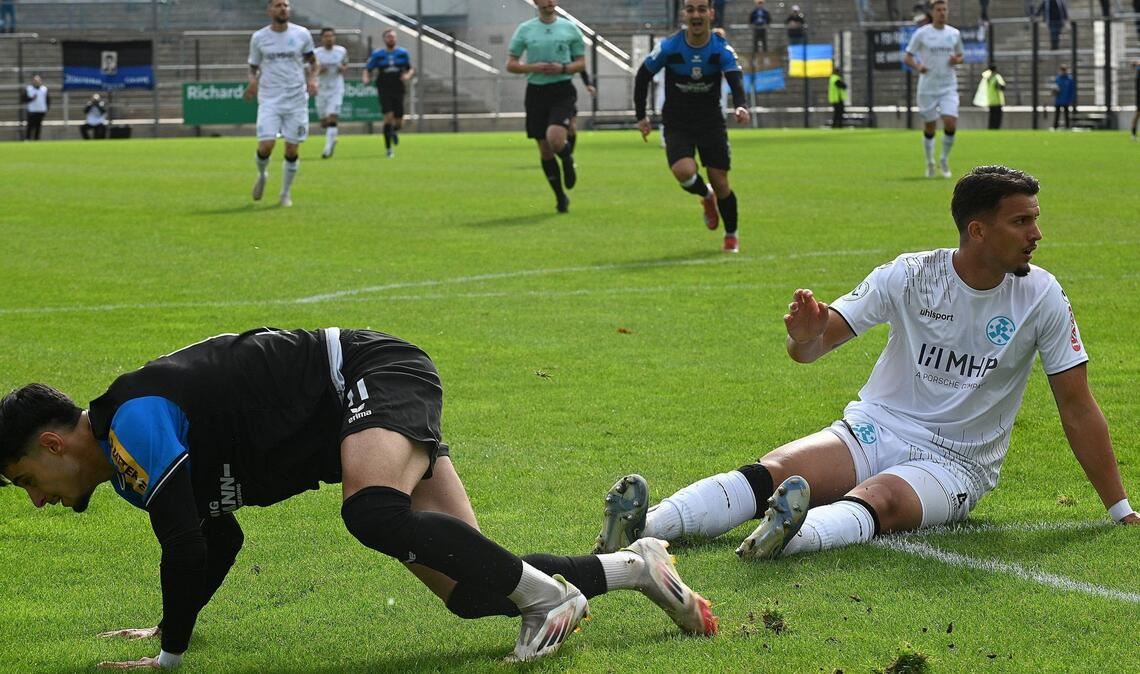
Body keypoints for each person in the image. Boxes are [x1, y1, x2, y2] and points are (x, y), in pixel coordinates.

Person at [0, 328, 719, 670]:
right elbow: (219, 539)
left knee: (370, 511)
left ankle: (549, 599)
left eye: (27, 480)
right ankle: (636, 566)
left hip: (371, 376)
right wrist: (168, 626)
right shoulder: (133, 472)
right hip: (360, 415)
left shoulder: (133, 421)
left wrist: (169, 659)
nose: (37, 502)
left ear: (54, 444)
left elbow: (185, 542)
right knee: (471, 589)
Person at [592, 166, 1139, 565]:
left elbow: (1076, 405)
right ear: (978, 230)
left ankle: (787, 536)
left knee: (882, 499)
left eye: (1034, 221)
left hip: (956, 463)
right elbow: (812, 348)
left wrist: (1119, 508)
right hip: (875, 428)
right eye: (1023, 222)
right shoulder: (910, 273)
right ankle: (647, 523)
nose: (1036, 235)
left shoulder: (1042, 296)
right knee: (780, 468)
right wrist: (805, 338)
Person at [633, 0, 750, 253]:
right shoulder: (669, 47)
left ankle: (731, 235)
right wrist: (641, 116)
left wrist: (741, 105)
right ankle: (706, 196)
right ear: (684, 14)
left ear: (710, 13)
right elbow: (642, 76)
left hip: (710, 123)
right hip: (677, 122)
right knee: (683, 171)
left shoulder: (721, 50)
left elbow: (735, 79)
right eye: (690, 9)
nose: (695, 14)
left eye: (701, 9)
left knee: (721, 182)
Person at [506, 0, 586, 214]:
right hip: (536, 92)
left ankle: (568, 159)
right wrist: (533, 67)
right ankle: (560, 197)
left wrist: (563, 68)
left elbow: (581, 63)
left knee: (555, 138)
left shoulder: (569, 28)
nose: (550, 2)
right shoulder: (525, 29)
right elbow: (511, 64)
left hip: (562, 90)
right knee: (544, 149)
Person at [243, 0, 318, 208]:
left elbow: (313, 62)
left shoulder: (302, 34)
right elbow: (253, 67)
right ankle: (262, 174)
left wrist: (312, 80)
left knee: (292, 150)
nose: (282, 8)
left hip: (296, 99)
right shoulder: (259, 37)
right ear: (270, 10)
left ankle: (285, 193)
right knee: (266, 145)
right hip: (269, 99)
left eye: (285, 5)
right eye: (278, 5)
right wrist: (252, 82)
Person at [903, 0, 964, 178]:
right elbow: (908, 56)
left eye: (945, 9)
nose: (942, 13)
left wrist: (957, 60)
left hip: (948, 86)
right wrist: (918, 66)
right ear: (932, 12)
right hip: (928, 87)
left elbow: (961, 55)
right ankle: (930, 162)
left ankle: (944, 159)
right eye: (939, 10)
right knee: (930, 126)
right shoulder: (922, 34)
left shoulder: (954, 33)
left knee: (950, 121)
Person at [363, 28, 414, 159]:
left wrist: (407, 76)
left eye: (393, 37)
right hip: (384, 88)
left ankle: (394, 131)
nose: (391, 39)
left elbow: (410, 69)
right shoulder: (378, 54)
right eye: (388, 37)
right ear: (384, 39)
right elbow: (368, 68)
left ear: (395, 39)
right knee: (388, 117)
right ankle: (388, 149)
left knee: (399, 121)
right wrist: (366, 78)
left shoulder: (402, 53)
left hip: (398, 88)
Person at [314, 27, 348, 159]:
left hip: (336, 89)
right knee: (324, 122)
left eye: (331, 36)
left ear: (334, 37)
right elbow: (310, 69)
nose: (329, 38)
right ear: (322, 38)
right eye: (326, 36)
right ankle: (332, 139)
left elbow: (345, 65)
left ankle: (327, 150)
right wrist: (319, 70)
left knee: (332, 117)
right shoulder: (316, 53)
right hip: (321, 89)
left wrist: (342, 68)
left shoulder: (341, 51)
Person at [21, 74, 48, 141]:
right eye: (35, 80)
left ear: (40, 81)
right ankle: (27, 139)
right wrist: (31, 99)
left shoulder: (44, 89)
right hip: (32, 111)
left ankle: (36, 139)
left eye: (38, 80)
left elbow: (48, 100)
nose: (36, 82)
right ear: (32, 81)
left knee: (38, 126)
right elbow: (23, 99)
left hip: (41, 110)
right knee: (30, 126)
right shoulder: (29, 89)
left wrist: (46, 109)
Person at [980, 63, 1005, 129]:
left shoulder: (988, 78)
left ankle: (991, 128)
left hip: (991, 101)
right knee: (997, 117)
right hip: (997, 101)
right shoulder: (997, 77)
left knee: (992, 117)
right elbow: (1003, 87)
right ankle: (996, 128)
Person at [1052, 64, 1075, 130]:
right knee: (1057, 115)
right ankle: (1055, 127)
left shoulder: (1070, 79)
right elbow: (1055, 89)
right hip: (1058, 100)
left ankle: (1067, 127)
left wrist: (1071, 99)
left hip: (1066, 100)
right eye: (1062, 70)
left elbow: (1072, 90)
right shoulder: (1058, 79)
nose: (1063, 71)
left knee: (1066, 115)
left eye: (1064, 70)